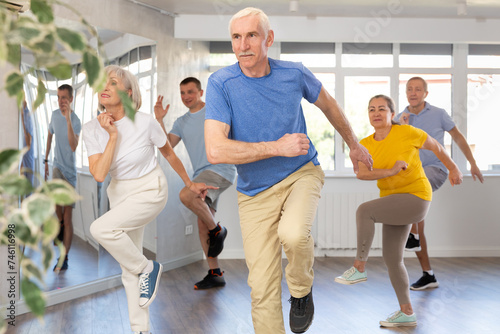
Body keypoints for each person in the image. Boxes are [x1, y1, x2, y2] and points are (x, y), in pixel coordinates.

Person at [204, 7, 373, 334]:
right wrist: (275, 146)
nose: (243, 45)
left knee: (294, 234)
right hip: (253, 192)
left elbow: (328, 104)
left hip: (301, 172)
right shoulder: (221, 83)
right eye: (236, 38)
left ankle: (300, 289)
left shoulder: (294, 73)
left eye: (251, 35)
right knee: (262, 286)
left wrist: (353, 143)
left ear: (268, 39)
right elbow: (216, 149)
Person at [82, 65, 215, 334]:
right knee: (128, 269)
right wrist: (113, 136)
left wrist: (190, 184)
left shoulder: (145, 122)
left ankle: (149, 267)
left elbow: (169, 154)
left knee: (100, 229)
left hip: (150, 189)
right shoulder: (92, 129)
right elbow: (99, 174)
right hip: (119, 194)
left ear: (129, 93)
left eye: (113, 83)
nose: (104, 87)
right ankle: (141, 330)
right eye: (101, 83)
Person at [334, 95, 462, 327]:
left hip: (416, 196)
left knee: (364, 211)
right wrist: (391, 172)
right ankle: (407, 312)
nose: (376, 113)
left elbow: (436, 146)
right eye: (372, 109)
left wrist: (453, 168)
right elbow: (362, 173)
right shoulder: (365, 144)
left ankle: (359, 267)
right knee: (392, 258)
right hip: (393, 200)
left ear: (392, 114)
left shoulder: (407, 132)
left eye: (382, 109)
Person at [397, 76, 484, 290]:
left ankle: (413, 234)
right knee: (417, 221)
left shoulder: (438, 114)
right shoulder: (400, 118)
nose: (413, 92)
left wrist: (471, 163)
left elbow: (458, 137)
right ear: (406, 93)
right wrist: (402, 128)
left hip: (435, 170)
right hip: (413, 177)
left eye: (418, 89)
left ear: (425, 93)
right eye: (409, 89)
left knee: (413, 194)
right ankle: (428, 275)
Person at [154, 77, 236, 290]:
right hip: (202, 173)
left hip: (222, 169)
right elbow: (167, 148)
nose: (186, 97)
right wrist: (159, 121)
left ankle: (217, 230)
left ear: (200, 92)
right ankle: (215, 273)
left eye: (190, 92)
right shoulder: (181, 122)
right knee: (202, 220)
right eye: (182, 93)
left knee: (185, 194)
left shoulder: (214, 111)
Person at [44, 84, 81, 271]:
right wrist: (45, 159)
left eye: (64, 98)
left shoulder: (75, 120)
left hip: (70, 174)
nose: (61, 101)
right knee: (56, 208)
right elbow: (50, 135)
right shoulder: (53, 115)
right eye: (59, 97)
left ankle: (64, 259)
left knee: (68, 219)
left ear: (71, 99)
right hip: (57, 167)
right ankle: (58, 225)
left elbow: (74, 146)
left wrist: (67, 120)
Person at [21, 100, 35, 186]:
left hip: (28, 156)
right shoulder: (22, 115)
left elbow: (29, 139)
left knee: (28, 185)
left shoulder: (27, 115)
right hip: (25, 157)